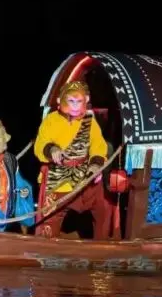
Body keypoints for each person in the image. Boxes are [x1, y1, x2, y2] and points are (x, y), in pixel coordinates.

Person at [33, 80, 111, 239]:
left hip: (84, 175)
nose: (75, 106)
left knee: (103, 207)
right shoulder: (51, 120)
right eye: (71, 101)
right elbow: (40, 144)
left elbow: (98, 145)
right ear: (60, 101)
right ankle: (46, 246)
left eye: (79, 101)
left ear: (86, 101)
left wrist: (96, 164)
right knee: (49, 220)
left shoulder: (89, 120)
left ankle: (102, 244)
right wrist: (51, 149)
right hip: (58, 175)